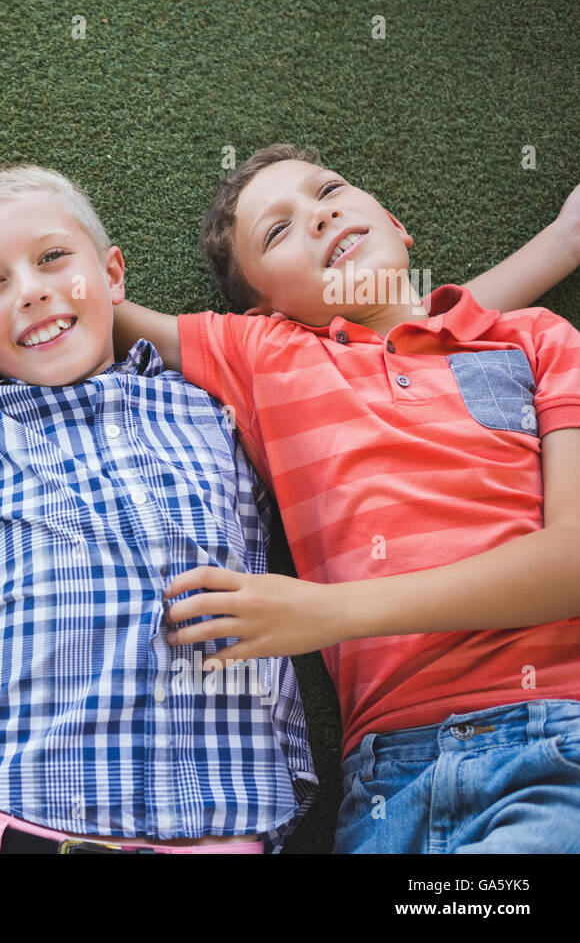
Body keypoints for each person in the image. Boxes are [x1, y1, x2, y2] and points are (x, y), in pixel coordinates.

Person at [112, 144, 580, 852]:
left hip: (553, 736)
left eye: (328, 188)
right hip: (384, 786)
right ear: (266, 308)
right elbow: (70, 294)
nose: (320, 212)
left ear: (395, 221)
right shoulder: (267, 356)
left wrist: (330, 613)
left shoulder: (536, 340)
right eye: (278, 230)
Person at [0, 165, 317, 853]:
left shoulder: (218, 406)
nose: (31, 291)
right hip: (16, 823)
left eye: (53, 258)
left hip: (225, 829)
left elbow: (379, 363)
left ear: (113, 275)